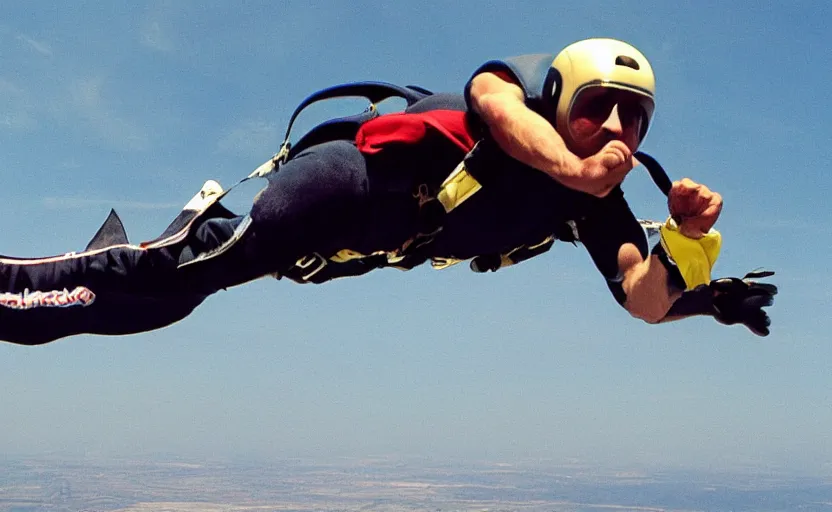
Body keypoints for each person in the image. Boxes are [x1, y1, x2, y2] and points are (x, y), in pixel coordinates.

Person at [0, 38, 776, 346]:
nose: (615, 126)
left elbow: (643, 299)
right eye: (596, 104)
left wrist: (692, 266)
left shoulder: (597, 204)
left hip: (361, 244)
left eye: (633, 116)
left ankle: (64, 285)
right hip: (339, 191)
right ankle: (15, 286)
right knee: (161, 278)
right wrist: (573, 170)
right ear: (558, 98)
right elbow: (502, 117)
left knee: (167, 301)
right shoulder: (506, 91)